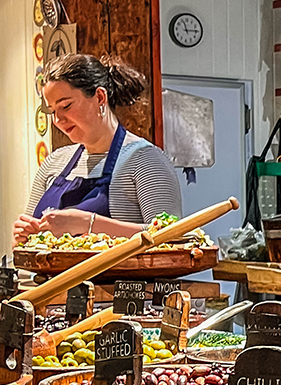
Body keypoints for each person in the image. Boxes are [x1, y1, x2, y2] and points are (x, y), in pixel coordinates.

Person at [13, 53, 182, 245]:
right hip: (55, 276)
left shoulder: (145, 159)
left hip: (122, 276)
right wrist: (24, 235)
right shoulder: (54, 162)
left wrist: (90, 224)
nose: (57, 120)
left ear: (100, 97)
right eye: (52, 111)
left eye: (66, 106)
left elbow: (171, 236)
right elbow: (22, 247)